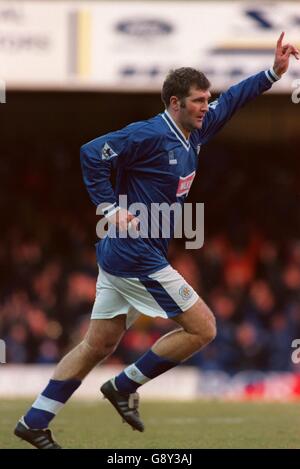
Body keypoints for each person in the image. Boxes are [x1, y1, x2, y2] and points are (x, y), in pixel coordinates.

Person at [14, 33, 299, 449]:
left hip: (125, 254)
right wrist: (109, 208)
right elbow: (92, 153)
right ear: (174, 103)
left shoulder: (196, 130)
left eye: (207, 99)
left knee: (97, 344)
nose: (207, 106)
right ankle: (124, 385)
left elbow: (234, 99)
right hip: (136, 255)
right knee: (204, 328)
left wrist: (273, 72)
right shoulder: (149, 134)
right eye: (199, 101)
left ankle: (34, 421)